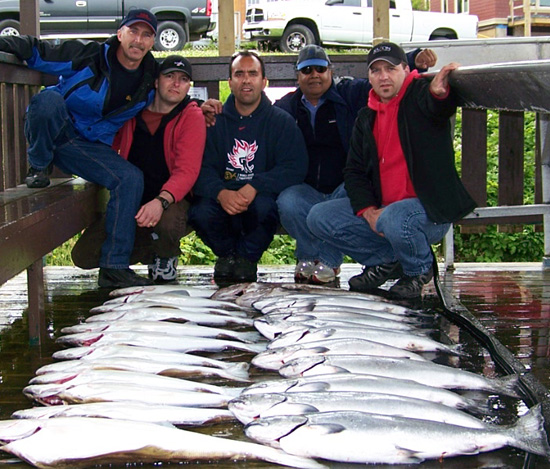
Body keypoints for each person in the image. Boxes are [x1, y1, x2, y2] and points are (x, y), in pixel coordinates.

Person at [0, 9, 161, 288]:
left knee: (131, 178)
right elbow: (38, 51)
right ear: (120, 33)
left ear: (153, 41)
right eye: (133, 31)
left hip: (89, 148)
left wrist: (206, 107)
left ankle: (114, 266)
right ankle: (39, 163)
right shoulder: (89, 55)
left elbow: (175, 95)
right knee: (48, 101)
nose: (138, 40)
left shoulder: (150, 78)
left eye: (146, 35)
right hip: (57, 130)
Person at [306, 42, 476, 299]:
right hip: (386, 211)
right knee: (318, 217)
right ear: (370, 77)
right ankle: (385, 260)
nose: (384, 76)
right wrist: (368, 210)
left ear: (406, 70)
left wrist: (440, 94)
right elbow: (354, 171)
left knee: (395, 218)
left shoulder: (418, 95)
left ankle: (418, 269)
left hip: (428, 212)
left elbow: (436, 105)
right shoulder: (367, 117)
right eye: (376, 71)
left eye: (391, 68)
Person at [274, 44, 437, 285]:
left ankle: (329, 260)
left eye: (320, 69)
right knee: (288, 200)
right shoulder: (287, 107)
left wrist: (414, 59)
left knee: (348, 196)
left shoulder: (350, 93)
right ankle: (308, 257)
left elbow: (385, 75)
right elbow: (256, 112)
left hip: (346, 185)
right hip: (308, 188)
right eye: (306, 70)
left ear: (331, 71)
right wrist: (215, 111)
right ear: (297, 76)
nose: (314, 75)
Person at [70, 55, 206, 283]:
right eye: (169, 76)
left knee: (167, 223)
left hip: (172, 200)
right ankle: (151, 246)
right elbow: (107, 143)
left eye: (183, 79)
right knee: (84, 256)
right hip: (131, 199)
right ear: (155, 81)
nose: (176, 83)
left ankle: (165, 253)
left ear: (188, 86)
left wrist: (160, 202)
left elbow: (187, 171)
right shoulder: (132, 111)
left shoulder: (192, 115)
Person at [188, 50, 308, 284]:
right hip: (222, 196)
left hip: (259, 198)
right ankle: (228, 255)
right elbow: (199, 168)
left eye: (252, 74)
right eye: (239, 74)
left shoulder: (280, 121)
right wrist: (221, 193)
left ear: (264, 82)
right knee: (200, 211)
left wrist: (256, 186)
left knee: (265, 209)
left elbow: (295, 167)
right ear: (230, 82)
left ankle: (246, 258)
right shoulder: (214, 121)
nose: (246, 80)